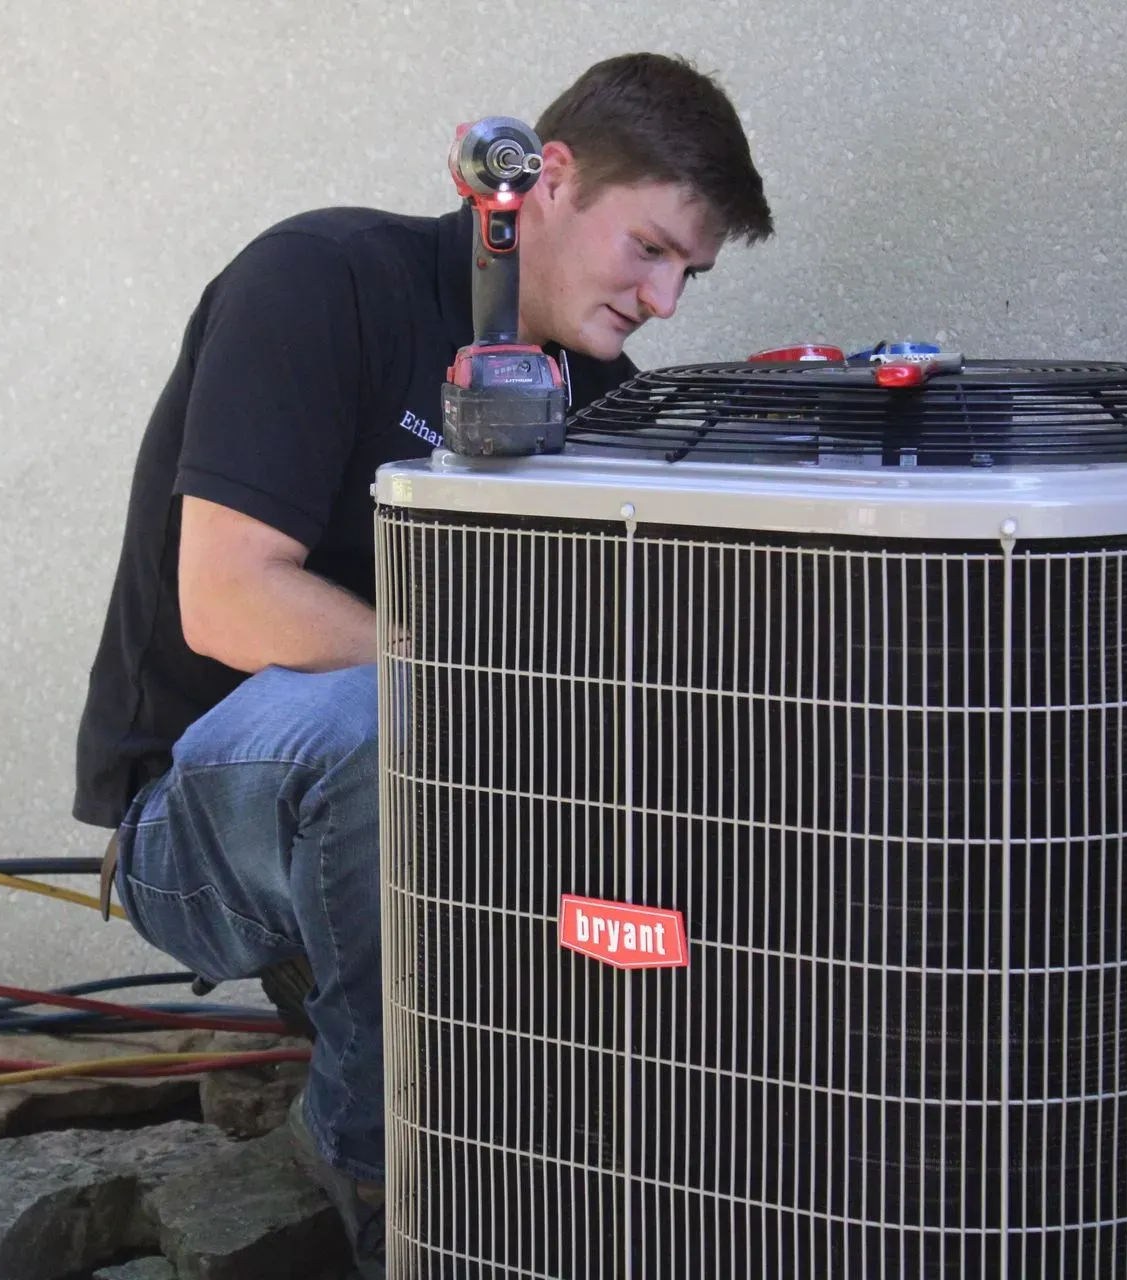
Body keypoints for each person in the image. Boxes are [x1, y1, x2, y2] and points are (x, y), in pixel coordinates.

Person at [72, 51, 772, 1277]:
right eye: (651, 249)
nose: (665, 300)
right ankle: (383, 1170)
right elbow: (225, 600)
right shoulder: (322, 279)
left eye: (690, 274)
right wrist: (486, 682)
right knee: (389, 714)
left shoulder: (604, 402)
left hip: (448, 815)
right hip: (201, 825)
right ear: (548, 179)